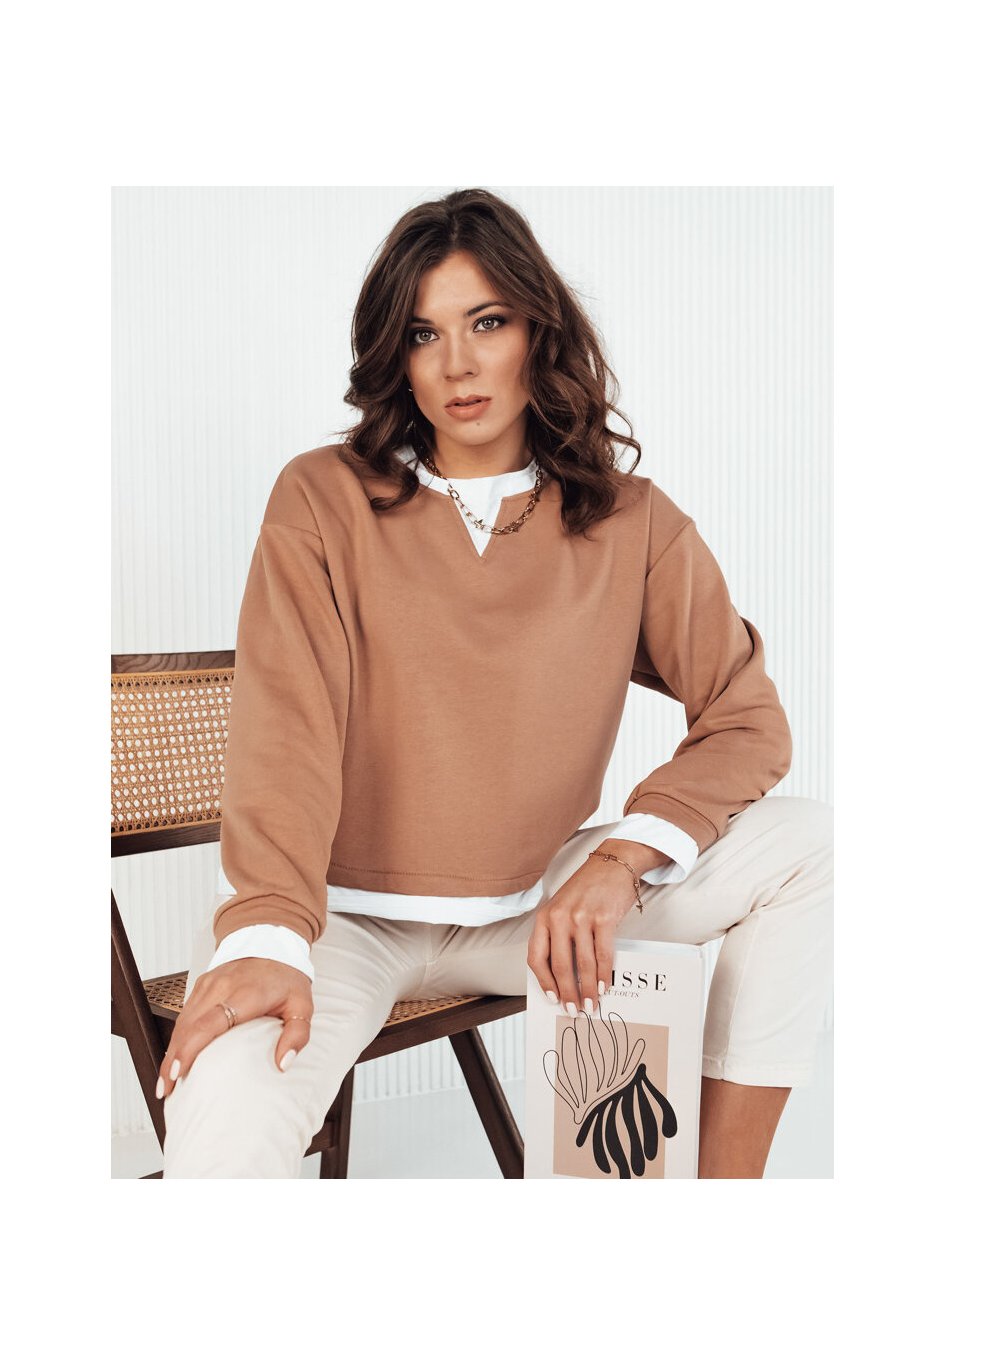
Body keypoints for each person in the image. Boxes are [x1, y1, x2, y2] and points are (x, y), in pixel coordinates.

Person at [158, 188, 832, 1179]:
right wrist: (266, 930)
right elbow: (285, 731)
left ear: (537, 332)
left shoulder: (629, 521)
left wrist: (619, 863)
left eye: (487, 323)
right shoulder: (323, 497)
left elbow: (746, 719)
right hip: (337, 920)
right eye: (423, 333)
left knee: (810, 844)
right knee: (225, 1120)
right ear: (395, 353)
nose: (457, 364)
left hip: (535, 910)